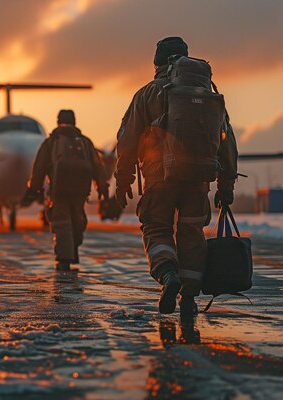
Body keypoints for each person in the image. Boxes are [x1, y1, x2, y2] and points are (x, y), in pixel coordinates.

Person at [114, 37, 238, 317]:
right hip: (198, 179)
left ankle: (168, 274)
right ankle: (189, 297)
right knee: (191, 234)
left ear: (156, 63)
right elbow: (227, 142)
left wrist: (123, 180)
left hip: (159, 178)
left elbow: (128, 140)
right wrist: (226, 185)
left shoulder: (147, 93)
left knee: (157, 228)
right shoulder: (208, 95)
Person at [23, 109, 109, 271]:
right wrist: (102, 186)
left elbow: (39, 167)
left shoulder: (51, 142)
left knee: (62, 223)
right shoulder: (85, 142)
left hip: (59, 190)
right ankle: (72, 250)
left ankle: (64, 258)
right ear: (74, 122)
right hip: (81, 191)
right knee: (78, 221)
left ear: (58, 122)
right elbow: (98, 166)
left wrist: (33, 188)